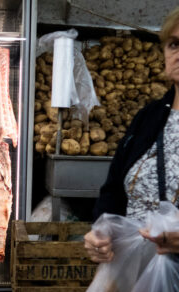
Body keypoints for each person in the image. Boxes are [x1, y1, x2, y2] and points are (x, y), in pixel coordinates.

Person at [84, 6, 179, 263]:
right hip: (135, 275)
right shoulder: (149, 117)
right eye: (174, 45)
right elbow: (113, 190)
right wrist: (100, 233)